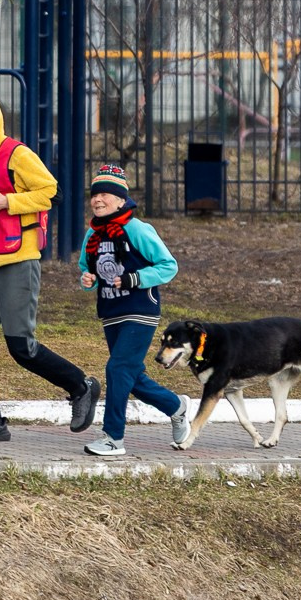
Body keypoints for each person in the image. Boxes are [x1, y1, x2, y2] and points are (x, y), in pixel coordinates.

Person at [0, 92, 102, 443]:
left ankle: (81, 386)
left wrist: (8, 201)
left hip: (17, 259)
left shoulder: (16, 153)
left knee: (21, 347)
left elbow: (53, 192)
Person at [76, 163, 185, 457]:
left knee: (117, 368)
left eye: (106, 195)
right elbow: (88, 269)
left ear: (122, 200)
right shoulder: (93, 234)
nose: (98, 200)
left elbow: (168, 266)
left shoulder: (137, 229)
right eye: (94, 195)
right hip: (111, 313)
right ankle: (176, 407)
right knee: (132, 377)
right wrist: (88, 280)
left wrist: (135, 279)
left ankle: (113, 437)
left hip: (140, 311)